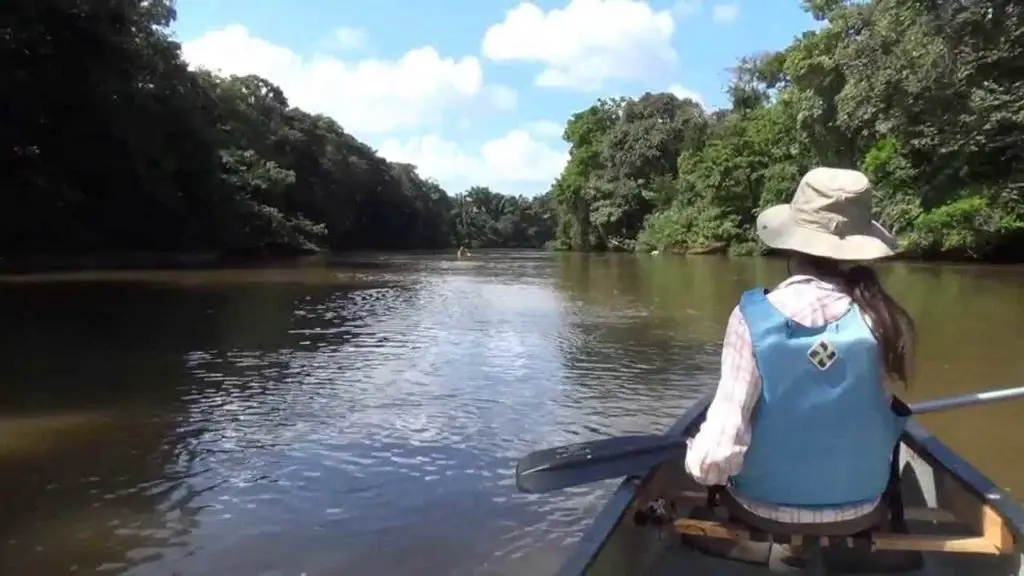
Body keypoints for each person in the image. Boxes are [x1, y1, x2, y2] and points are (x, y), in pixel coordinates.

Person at [684, 167, 916, 527]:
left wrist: (695, 458)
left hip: (760, 506)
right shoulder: (885, 319)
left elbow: (715, 458)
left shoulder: (751, 318)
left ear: (791, 243)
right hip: (863, 505)